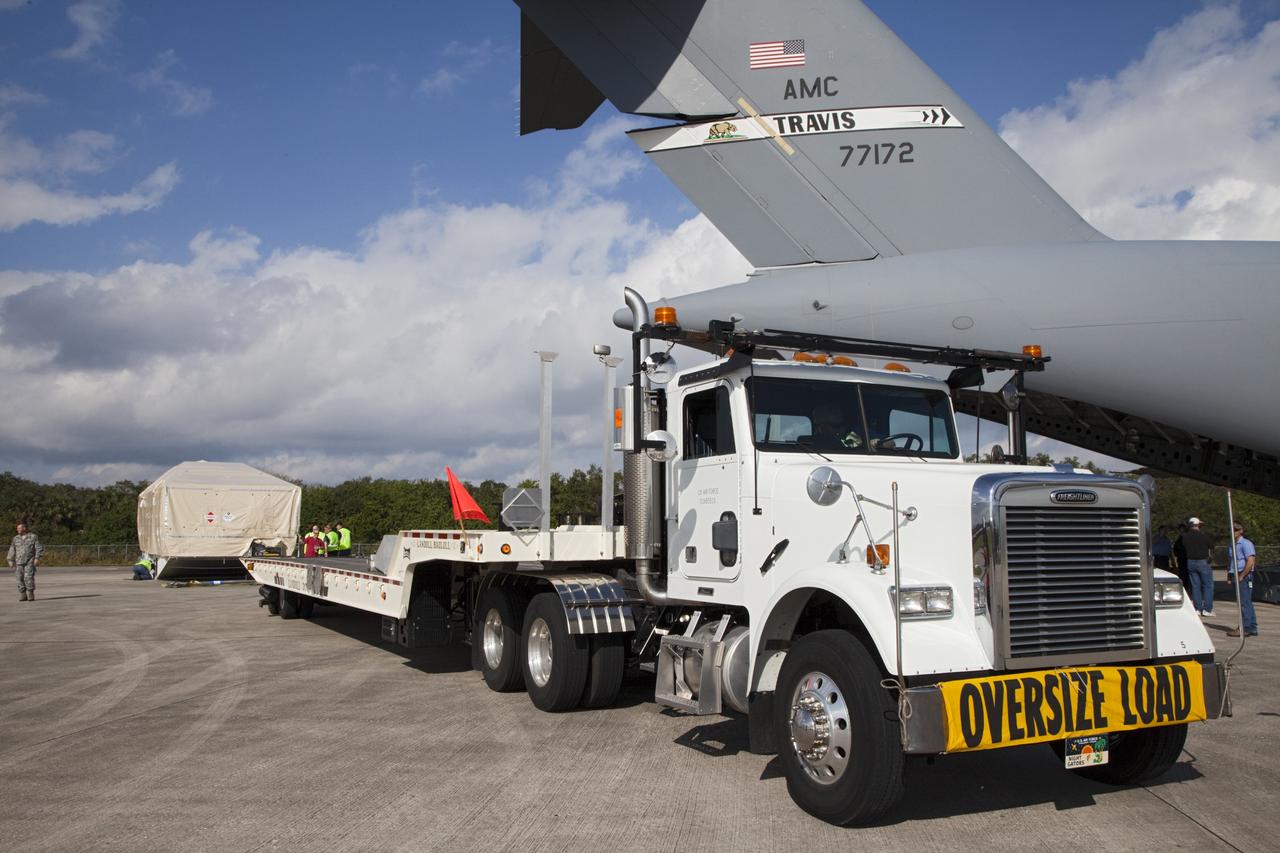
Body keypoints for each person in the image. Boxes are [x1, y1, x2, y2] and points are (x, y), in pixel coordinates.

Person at [1226, 522, 1258, 637]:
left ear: (1241, 531)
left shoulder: (1246, 544)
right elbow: (1231, 561)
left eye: (1235, 529)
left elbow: (1250, 561)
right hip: (1235, 573)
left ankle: (1245, 628)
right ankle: (1252, 627)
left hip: (1244, 574)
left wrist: (1242, 575)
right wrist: (1229, 575)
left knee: (1244, 603)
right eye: (1231, 529)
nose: (1233, 532)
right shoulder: (1231, 545)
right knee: (1245, 602)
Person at [1182, 517, 1214, 617]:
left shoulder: (1185, 537)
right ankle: (1207, 609)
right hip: (1202, 561)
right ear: (1197, 525)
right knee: (1207, 586)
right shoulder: (1203, 536)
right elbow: (1211, 546)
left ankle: (1197, 608)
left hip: (1190, 561)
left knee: (1195, 586)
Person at [8, 521, 44, 602]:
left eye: (19, 528)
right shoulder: (16, 538)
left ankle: (30, 593)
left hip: (29, 561)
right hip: (18, 562)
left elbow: (39, 548)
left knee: (28, 577)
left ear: (24, 528)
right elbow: (12, 549)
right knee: (19, 578)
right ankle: (23, 594)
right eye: (17, 528)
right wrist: (10, 560)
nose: (17, 530)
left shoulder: (33, 537)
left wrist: (37, 558)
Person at [1172, 522, 1190, 591]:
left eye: (1182, 529)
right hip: (1181, 558)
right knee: (1183, 574)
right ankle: (1184, 587)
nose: (1181, 530)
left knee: (1185, 574)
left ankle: (1186, 587)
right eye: (1180, 529)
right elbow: (1176, 548)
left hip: (1186, 558)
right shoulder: (1179, 538)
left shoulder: (1185, 538)